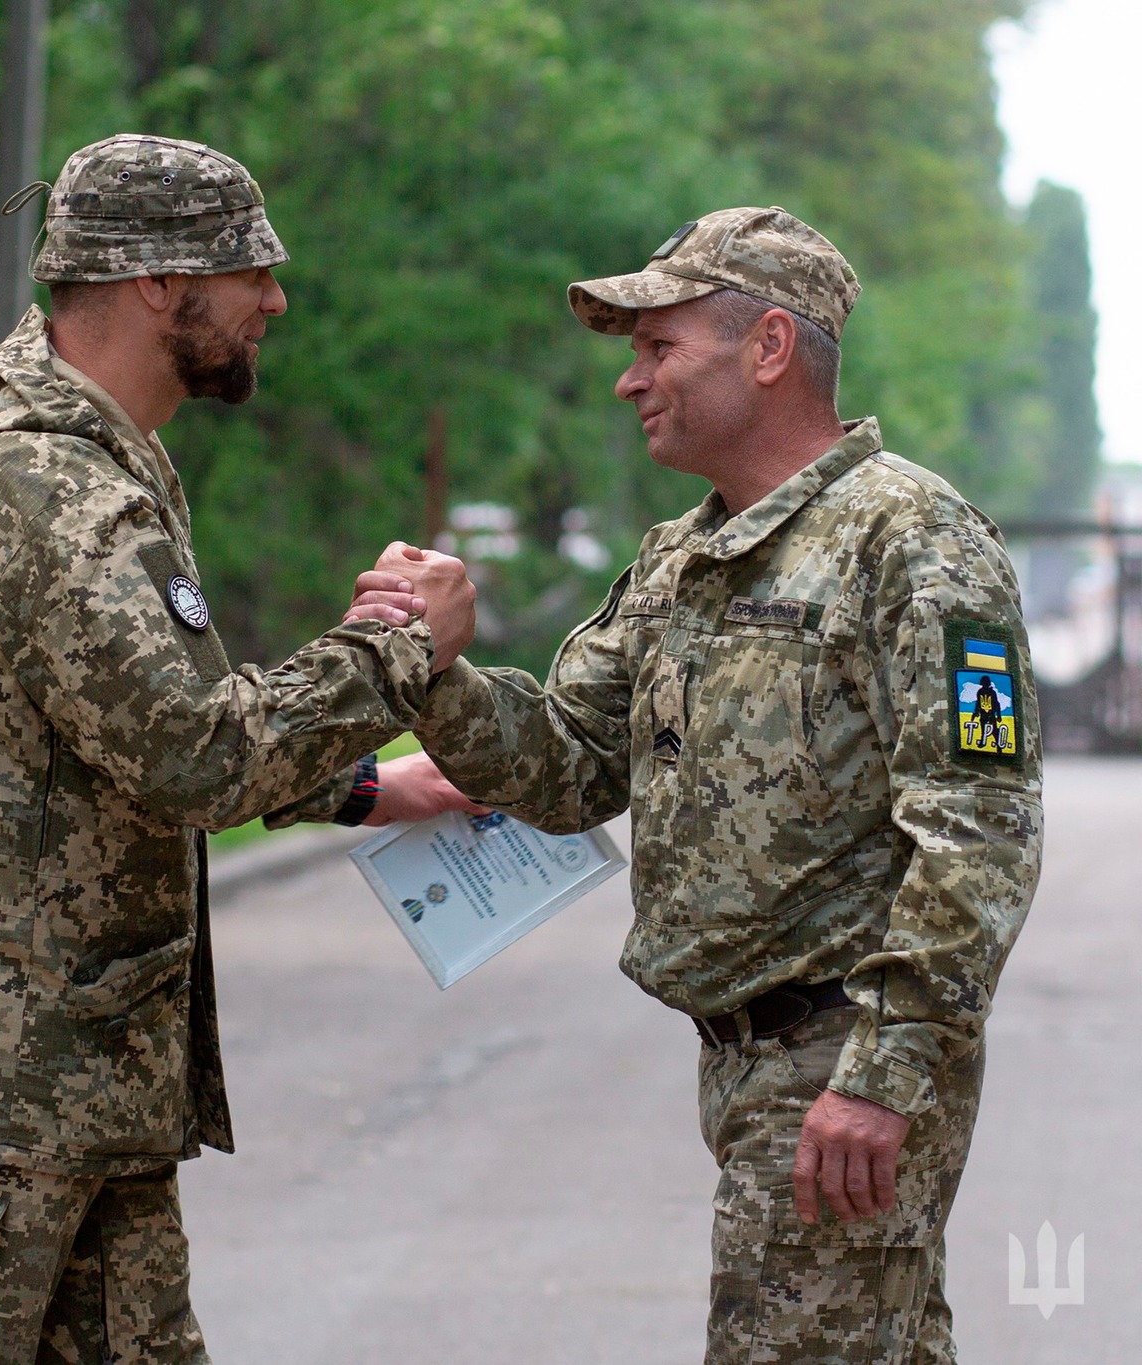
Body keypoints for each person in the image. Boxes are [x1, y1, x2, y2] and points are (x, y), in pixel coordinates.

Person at [0, 134, 478, 1364]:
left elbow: (103, 740)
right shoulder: (42, 483)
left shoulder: (98, 462)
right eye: (251, 272)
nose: (273, 301)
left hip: (62, 1095)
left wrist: (358, 785)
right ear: (158, 286)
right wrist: (392, 652)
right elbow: (186, 752)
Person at [350, 208, 1043, 1363]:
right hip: (746, 1063)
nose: (629, 381)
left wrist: (883, 1075)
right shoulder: (685, 556)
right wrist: (435, 669)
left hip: (840, 1053)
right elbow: (569, 765)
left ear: (767, 348)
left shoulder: (912, 541)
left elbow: (977, 828)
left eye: (656, 348)